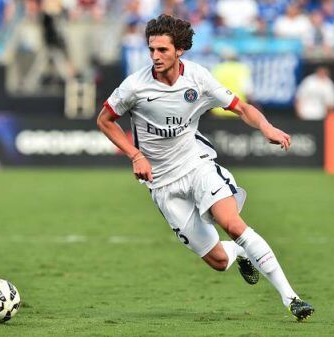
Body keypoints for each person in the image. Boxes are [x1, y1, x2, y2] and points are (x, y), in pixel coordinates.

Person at [97, 14, 314, 321]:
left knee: (232, 223)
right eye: (151, 50)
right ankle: (239, 253)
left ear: (179, 50)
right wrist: (135, 155)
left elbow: (242, 108)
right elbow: (104, 121)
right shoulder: (134, 86)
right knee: (219, 261)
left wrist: (266, 128)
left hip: (196, 165)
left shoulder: (198, 79)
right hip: (162, 185)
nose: (155, 57)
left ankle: (292, 298)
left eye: (162, 50)